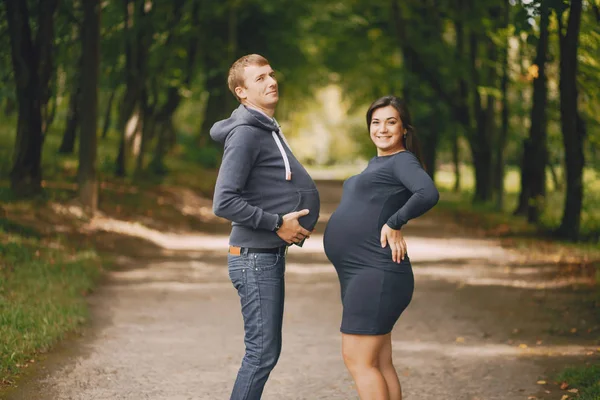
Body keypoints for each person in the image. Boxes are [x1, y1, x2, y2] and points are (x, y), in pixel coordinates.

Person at [211, 54, 320, 400]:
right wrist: (276, 224)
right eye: (260, 79)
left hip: (264, 256)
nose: (271, 81)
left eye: (271, 74)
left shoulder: (265, 128)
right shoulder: (245, 134)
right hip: (255, 257)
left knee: (263, 353)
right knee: (261, 354)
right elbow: (223, 202)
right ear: (242, 93)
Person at [323, 95, 439, 400]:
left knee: (358, 360)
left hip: (375, 272)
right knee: (379, 362)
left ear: (404, 129)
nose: (382, 129)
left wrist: (395, 221)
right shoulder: (381, 162)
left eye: (391, 122)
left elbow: (427, 193)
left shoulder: (402, 159)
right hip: (362, 273)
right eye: (376, 122)